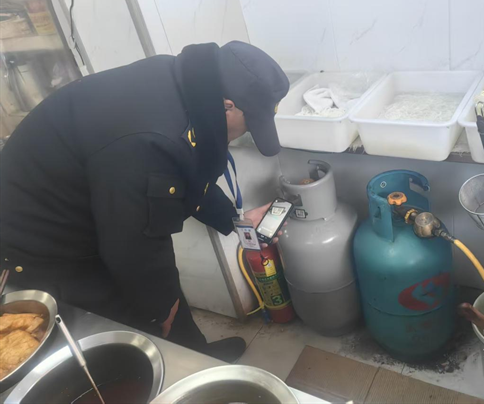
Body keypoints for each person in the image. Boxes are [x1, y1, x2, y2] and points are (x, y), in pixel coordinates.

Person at [0, 41, 290, 362]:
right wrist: (157, 311)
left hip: (97, 207)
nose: (245, 133)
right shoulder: (147, 139)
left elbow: (185, 172)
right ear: (227, 105)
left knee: (164, 291)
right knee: (130, 327)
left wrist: (236, 221)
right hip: (43, 241)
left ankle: (197, 358)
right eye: (250, 123)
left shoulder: (187, 83)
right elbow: (132, 246)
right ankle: (168, 371)